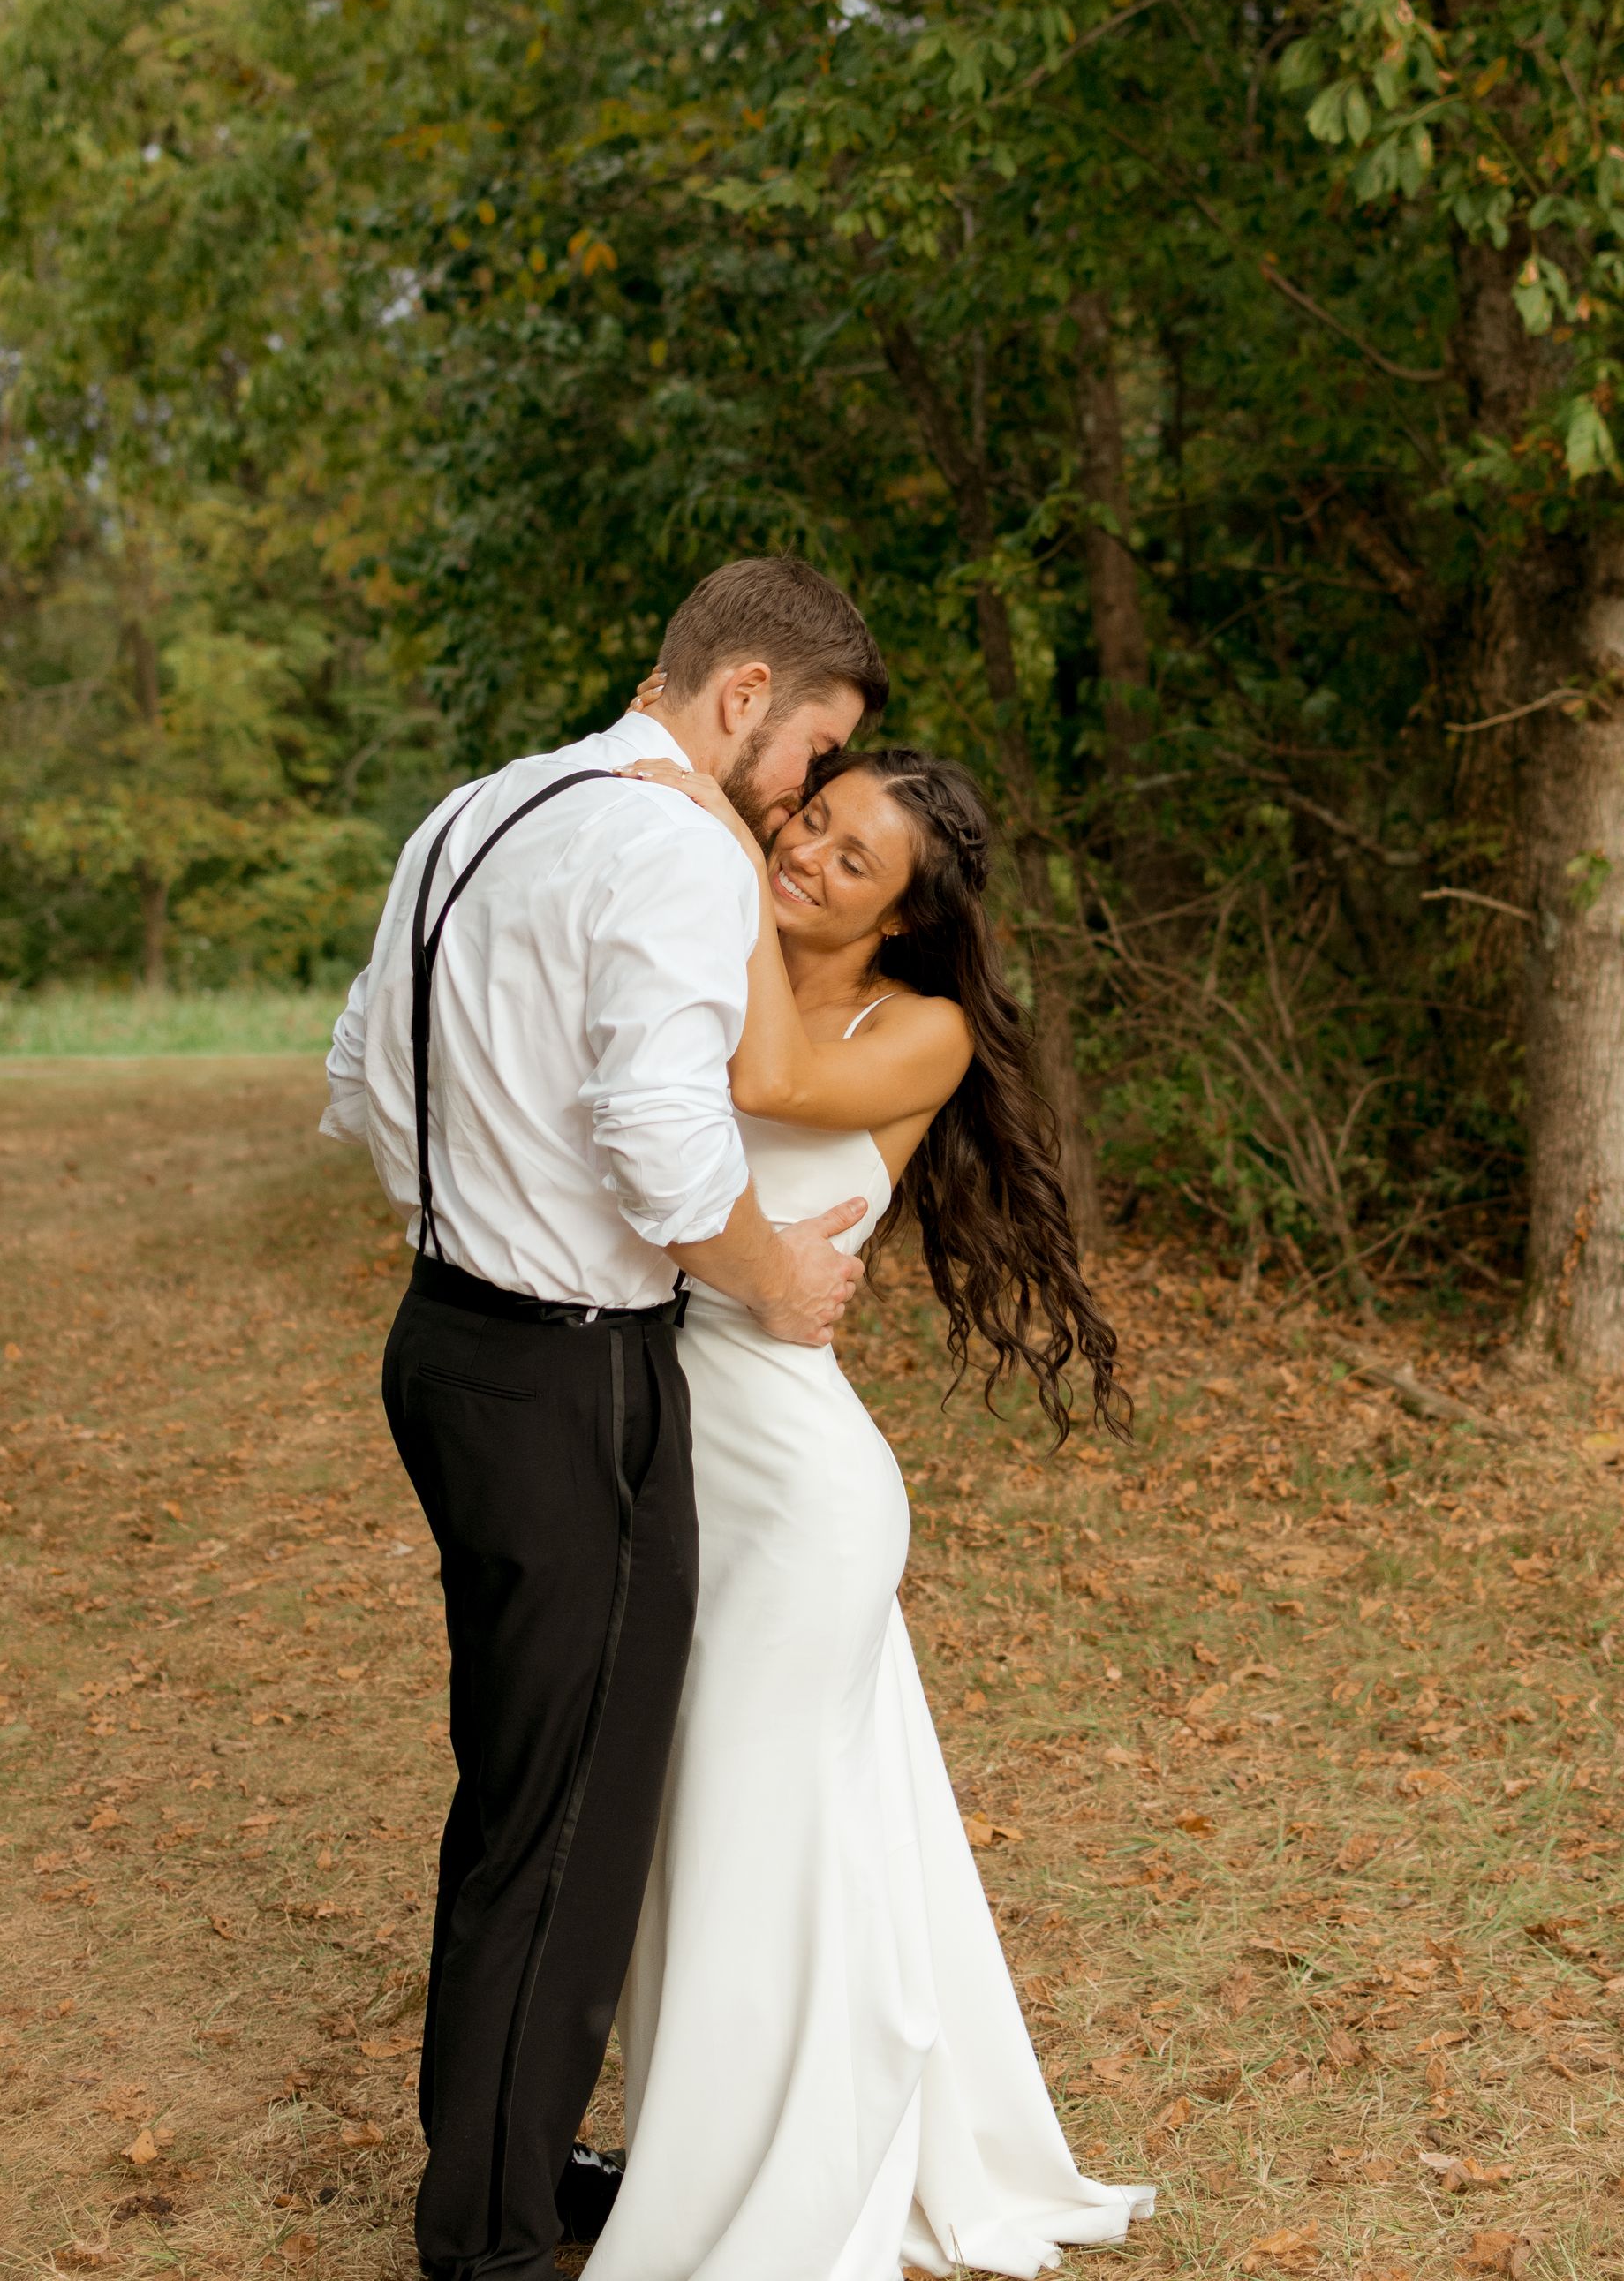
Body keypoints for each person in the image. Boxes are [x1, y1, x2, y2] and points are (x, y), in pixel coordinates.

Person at [320, 556, 888, 2281]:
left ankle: (502, 2160)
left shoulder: (475, 815)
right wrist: (771, 1277)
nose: (799, 795)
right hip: (571, 1371)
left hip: (451, 1342)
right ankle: (490, 2236)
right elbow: (657, 1135)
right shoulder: (667, 844)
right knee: (566, 1815)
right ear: (740, 700)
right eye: (812, 750)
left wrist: (481, 1205)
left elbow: (356, 1074)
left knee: (521, 1794)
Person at [587, 736, 1155, 2281]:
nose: (810, 859)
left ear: (903, 917)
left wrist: (708, 815)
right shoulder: (710, 948)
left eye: (854, 862)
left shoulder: (927, 1029)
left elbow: (767, 1086)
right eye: (810, 822)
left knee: (763, 1826)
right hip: (670, 1442)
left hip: (799, 1483)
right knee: (726, 1832)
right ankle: (713, 2150)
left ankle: (778, 2195)